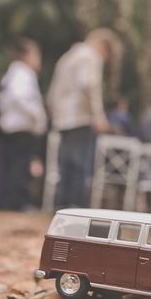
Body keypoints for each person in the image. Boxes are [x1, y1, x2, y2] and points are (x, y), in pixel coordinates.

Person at [48, 28, 117, 208]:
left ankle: (61, 206)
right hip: (80, 117)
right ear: (104, 47)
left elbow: (53, 91)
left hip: (63, 119)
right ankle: (75, 209)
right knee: (80, 167)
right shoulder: (91, 56)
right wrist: (99, 115)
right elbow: (89, 85)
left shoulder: (68, 57)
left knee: (65, 167)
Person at [0, 39, 47, 210]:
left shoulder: (12, 73)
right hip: (21, 126)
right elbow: (20, 97)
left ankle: (12, 199)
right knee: (20, 165)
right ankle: (17, 201)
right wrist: (37, 116)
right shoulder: (23, 73)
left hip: (12, 126)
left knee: (15, 163)